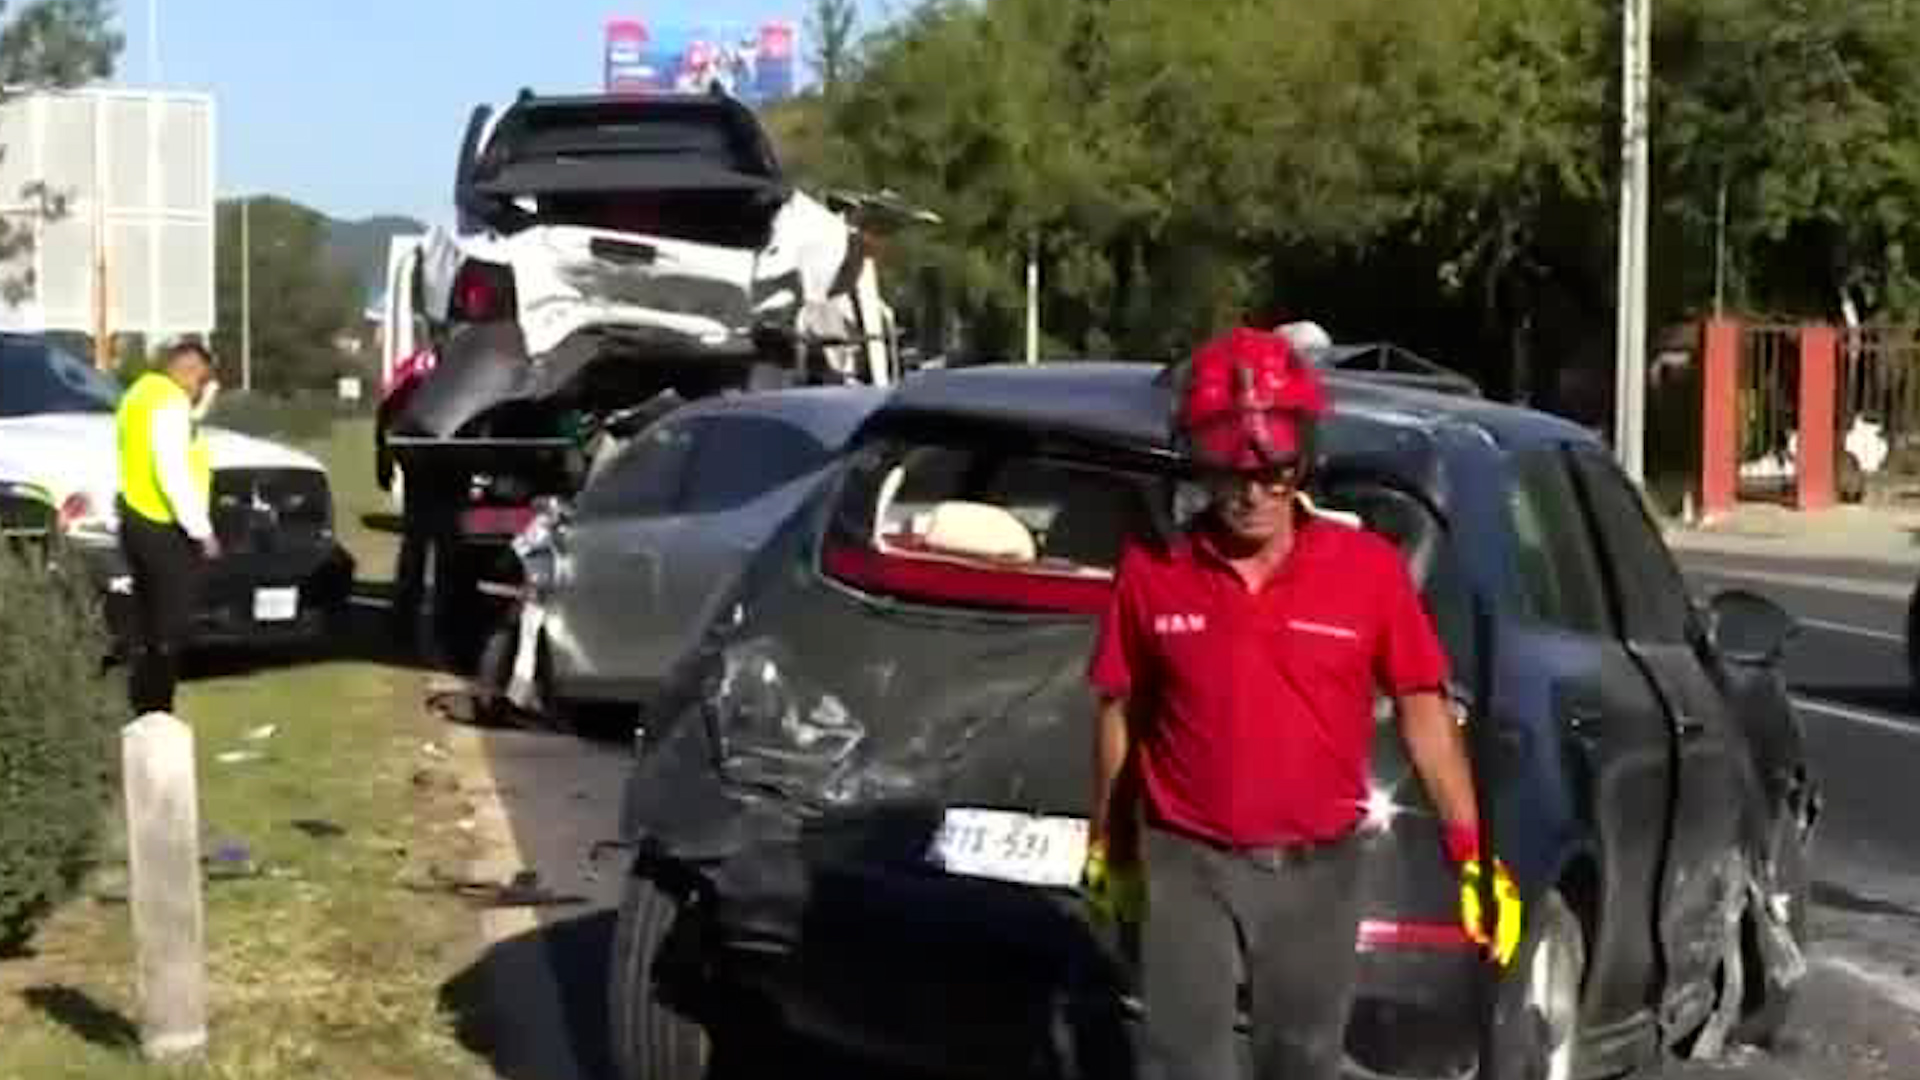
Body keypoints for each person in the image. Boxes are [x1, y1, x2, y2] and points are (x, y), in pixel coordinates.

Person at [1081, 326, 1519, 1080]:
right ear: (1198, 465)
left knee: (1302, 1062)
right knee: (1186, 1064)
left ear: (1305, 460)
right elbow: (1121, 711)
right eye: (1227, 472)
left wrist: (1470, 854)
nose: (1250, 493)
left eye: (1273, 471)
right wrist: (1109, 846)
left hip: (1320, 873)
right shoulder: (1155, 573)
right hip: (1189, 863)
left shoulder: (1367, 572)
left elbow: (1423, 708)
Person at [116, 339, 221, 715]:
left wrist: (201, 406)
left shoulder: (140, 394)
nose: (199, 389)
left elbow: (162, 440)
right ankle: (157, 709)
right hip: (165, 525)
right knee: (170, 625)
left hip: (135, 516)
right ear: (188, 371)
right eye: (200, 380)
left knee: (147, 618)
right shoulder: (171, 404)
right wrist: (201, 531)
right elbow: (172, 472)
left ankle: (141, 701)